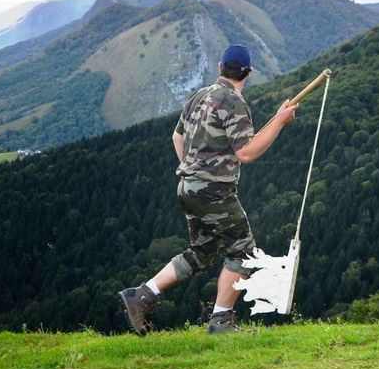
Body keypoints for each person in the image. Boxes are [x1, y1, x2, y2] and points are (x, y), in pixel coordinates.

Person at [118, 44, 298, 336]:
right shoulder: (234, 102)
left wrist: (194, 169)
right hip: (214, 192)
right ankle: (221, 322)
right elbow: (247, 153)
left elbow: (177, 137)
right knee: (245, 254)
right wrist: (279, 121)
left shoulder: (198, 96)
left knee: (202, 253)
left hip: (187, 188)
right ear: (248, 73)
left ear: (219, 67)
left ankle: (142, 295)